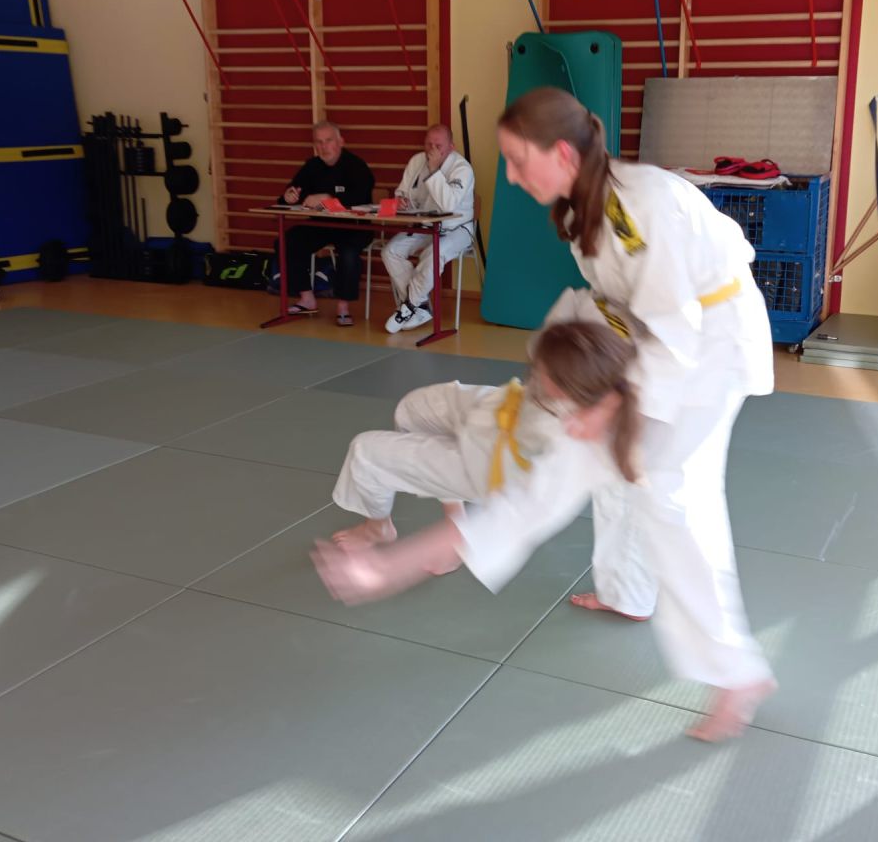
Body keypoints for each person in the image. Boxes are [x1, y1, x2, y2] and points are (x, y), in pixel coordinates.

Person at [322, 87, 776, 741]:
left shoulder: (638, 205)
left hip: (706, 349)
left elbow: (675, 326)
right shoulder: (582, 207)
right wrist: (582, 380)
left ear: (561, 153)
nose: (509, 176)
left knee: (664, 497)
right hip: (650, 347)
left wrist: (612, 400)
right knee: (597, 474)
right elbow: (621, 308)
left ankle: (734, 671)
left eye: (516, 159)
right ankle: (638, 602)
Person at [323, 321, 638, 578]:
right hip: (500, 410)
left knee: (365, 451)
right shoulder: (613, 379)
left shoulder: (568, 448)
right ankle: (449, 510)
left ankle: (378, 527)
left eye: (540, 370)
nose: (534, 371)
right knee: (411, 410)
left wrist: (389, 567)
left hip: (493, 463)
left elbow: (513, 520)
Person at [278, 121, 375, 327]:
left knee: (348, 252)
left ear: (341, 142)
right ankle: (306, 298)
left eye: (328, 141)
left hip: (355, 226)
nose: (324, 147)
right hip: (322, 224)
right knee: (288, 241)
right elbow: (293, 191)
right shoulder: (312, 166)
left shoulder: (356, 166)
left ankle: (343, 306)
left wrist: (328, 198)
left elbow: (361, 196)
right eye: (319, 142)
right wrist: (288, 197)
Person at [382, 125, 475, 333]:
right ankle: (421, 306)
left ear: (451, 147)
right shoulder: (417, 161)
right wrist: (402, 201)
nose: (432, 150)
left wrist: (434, 171)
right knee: (390, 251)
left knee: (433, 254)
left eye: (438, 146)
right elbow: (402, 192)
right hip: (425, 224)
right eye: (428, 144)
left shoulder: (462, 168)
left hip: (457, 229)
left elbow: (448, 205)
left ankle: (409, 306)